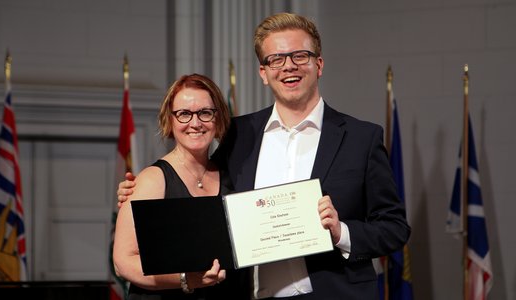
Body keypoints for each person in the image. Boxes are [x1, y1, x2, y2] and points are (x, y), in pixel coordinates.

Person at [118, 13, 411, 299]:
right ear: (263, 72)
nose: (288, 67)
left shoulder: (361, 138)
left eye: (300, 56)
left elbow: (395, 228)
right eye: (276, 59)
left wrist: (341, 233)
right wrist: (139, 192)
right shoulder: (239, 134)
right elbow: (203, 188)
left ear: (318, 64)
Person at [113, 73, 241, 299]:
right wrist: (187, 279)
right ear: (169, 120)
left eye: (205, 112)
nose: (195, 122)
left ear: (218, 118)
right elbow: (123, 262)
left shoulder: (231, 177)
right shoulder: (153, 179)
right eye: (184, 114)